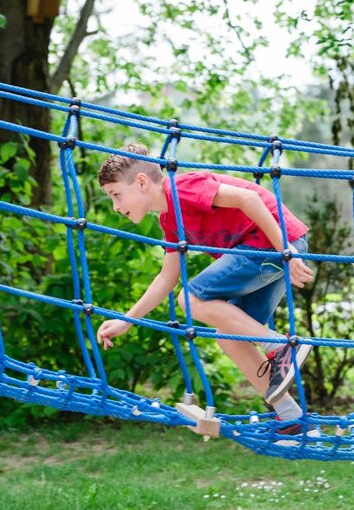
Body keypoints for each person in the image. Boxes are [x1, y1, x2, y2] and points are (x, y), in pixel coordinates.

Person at [95, 143, 315, 436]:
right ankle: (291, 420)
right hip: (270, 249)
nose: (116, 206)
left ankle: (282, 346)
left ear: (142, 182)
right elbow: (166, 277)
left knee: (191, 300)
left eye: (116, 195)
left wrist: (285, 250)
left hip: (273, 243)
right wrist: (126, 320)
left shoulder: (182, 189)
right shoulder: (169, 220)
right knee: (229, 336)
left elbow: (248, 198)